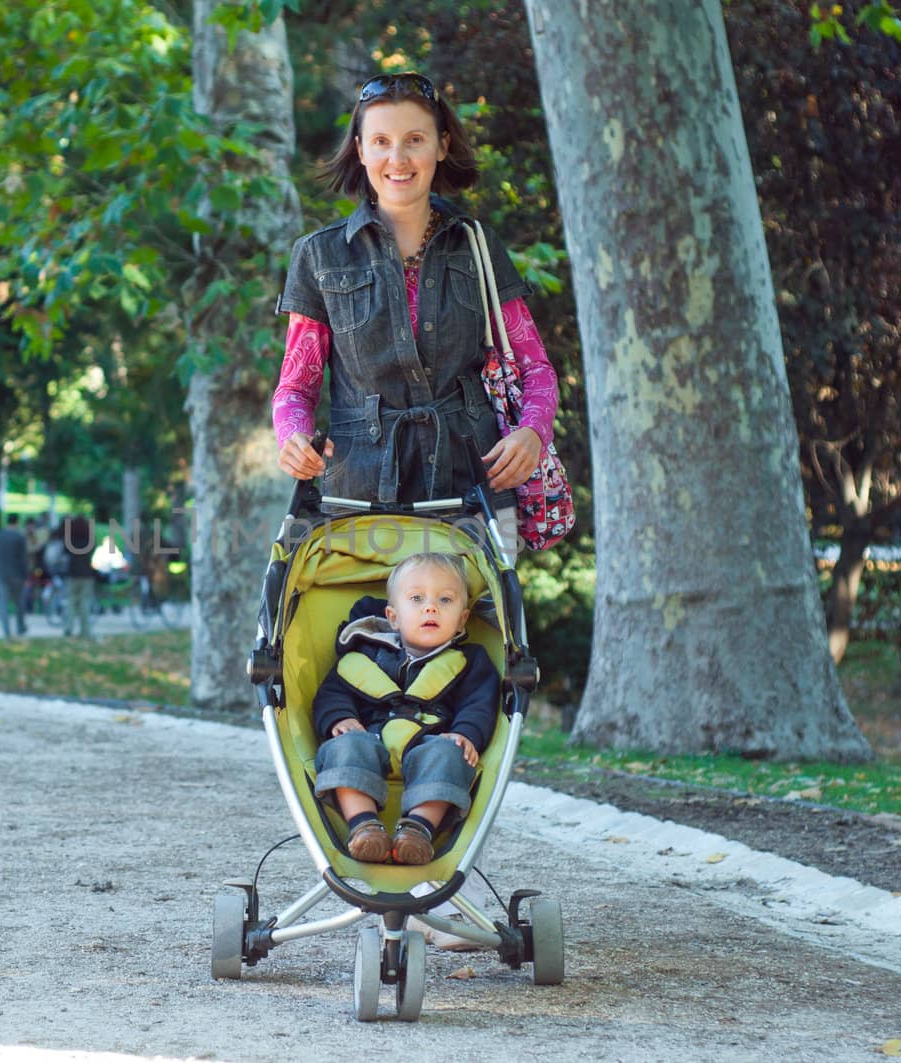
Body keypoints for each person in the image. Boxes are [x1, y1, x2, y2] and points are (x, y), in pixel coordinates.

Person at [273, 72, 560, 519]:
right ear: (360, 148)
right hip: (358, 499)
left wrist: (532, 433)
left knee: (476, 594)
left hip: (476, 492)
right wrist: (292, 435)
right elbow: (295, 387)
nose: (398, 158)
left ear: (441, 146)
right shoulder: (318, 255)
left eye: (414, 139)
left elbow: (536, 368)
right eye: (382, 141)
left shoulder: (478, 244)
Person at [310, 552, 499, 866]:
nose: (431, 607)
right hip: (369, 736)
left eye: (445, 600)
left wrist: (466, 734)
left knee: (451, 754)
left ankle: (418, 829)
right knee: (343, 746)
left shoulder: (471, 661)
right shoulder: (366, 653)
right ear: (393, 616)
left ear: (463, 618)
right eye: (416, 598)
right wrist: (341, 718)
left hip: (430, 741)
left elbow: (479, 704)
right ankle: (363, 825)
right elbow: (332, 692)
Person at [0, 513, 31, 638]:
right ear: (17, 522)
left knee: (3, 604)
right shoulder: (19, 537)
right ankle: (20, 627)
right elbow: (23, 558)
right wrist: (25, 574)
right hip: (17, 575)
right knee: (19, 603)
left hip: (0, 574)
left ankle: (6, 631)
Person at [62, 515, 98, 639]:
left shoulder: (69, 539)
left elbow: (65, 552)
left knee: (71, 602)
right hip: (87, 573)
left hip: (72, 573)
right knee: (85, 602)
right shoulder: (90, 539)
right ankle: (85, 630)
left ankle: (68, 627)